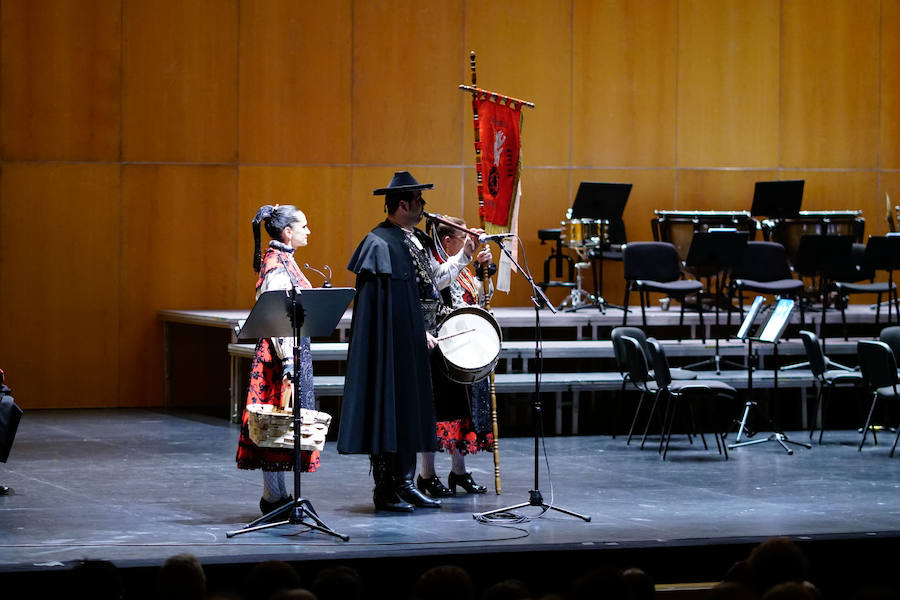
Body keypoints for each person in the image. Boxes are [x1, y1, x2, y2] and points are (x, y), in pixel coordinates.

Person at [336, 171, 476, 512]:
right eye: (419, 201)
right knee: (390, 412)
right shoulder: (379, 242)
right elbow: (386, 306)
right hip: (394, 345)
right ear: (403, 205)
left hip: (419, 341)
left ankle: (406, 482)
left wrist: (464, 257)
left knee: (413, 411)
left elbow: (432, 283)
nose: (424, 207)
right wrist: (416, 331)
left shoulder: (415, 240)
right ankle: (386, 489)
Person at [236, 205, 319, 516]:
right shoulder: (278, 266)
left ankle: (279, 496)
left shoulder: (283, 259)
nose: (308, 231)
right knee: (275, 425)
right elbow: (277, 319)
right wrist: (288, 362)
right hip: (279, 355)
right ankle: (273, 498)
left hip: (287, 352)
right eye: (304, 226)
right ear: (287, 232)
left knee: (282, 428)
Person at [417, 216, 495, 497]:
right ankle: (426, 474)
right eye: (463, 240)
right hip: (442, 344)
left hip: (466, 344)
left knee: (464, 413)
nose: (469, 246)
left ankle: (459, 472)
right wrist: (467, 257)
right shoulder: (435, 265)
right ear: (448, 240)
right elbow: (436, 286)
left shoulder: (461, 269)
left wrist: (485, 272)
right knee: (440, 411)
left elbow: (481, 298)